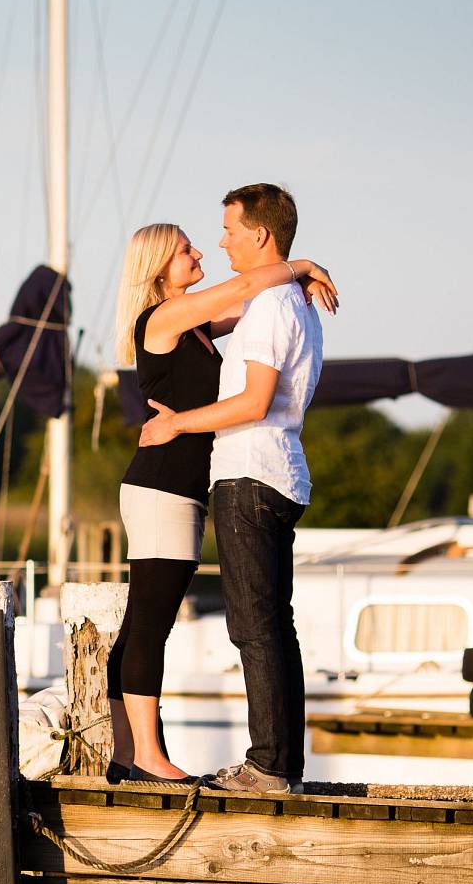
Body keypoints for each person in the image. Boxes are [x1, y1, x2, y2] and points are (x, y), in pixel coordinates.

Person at [106, 217, 335, 782]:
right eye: (186, 249)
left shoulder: (199, 330)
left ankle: (124, 750)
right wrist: (303, 265)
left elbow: (252, 304)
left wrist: (289, 287)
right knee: (152, 622)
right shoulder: (163, 317)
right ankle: (146, 755)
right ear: (160, 265)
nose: (199, 251)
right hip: (163, 487)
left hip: (177, 489)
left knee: (142, 620)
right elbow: (241, 289)